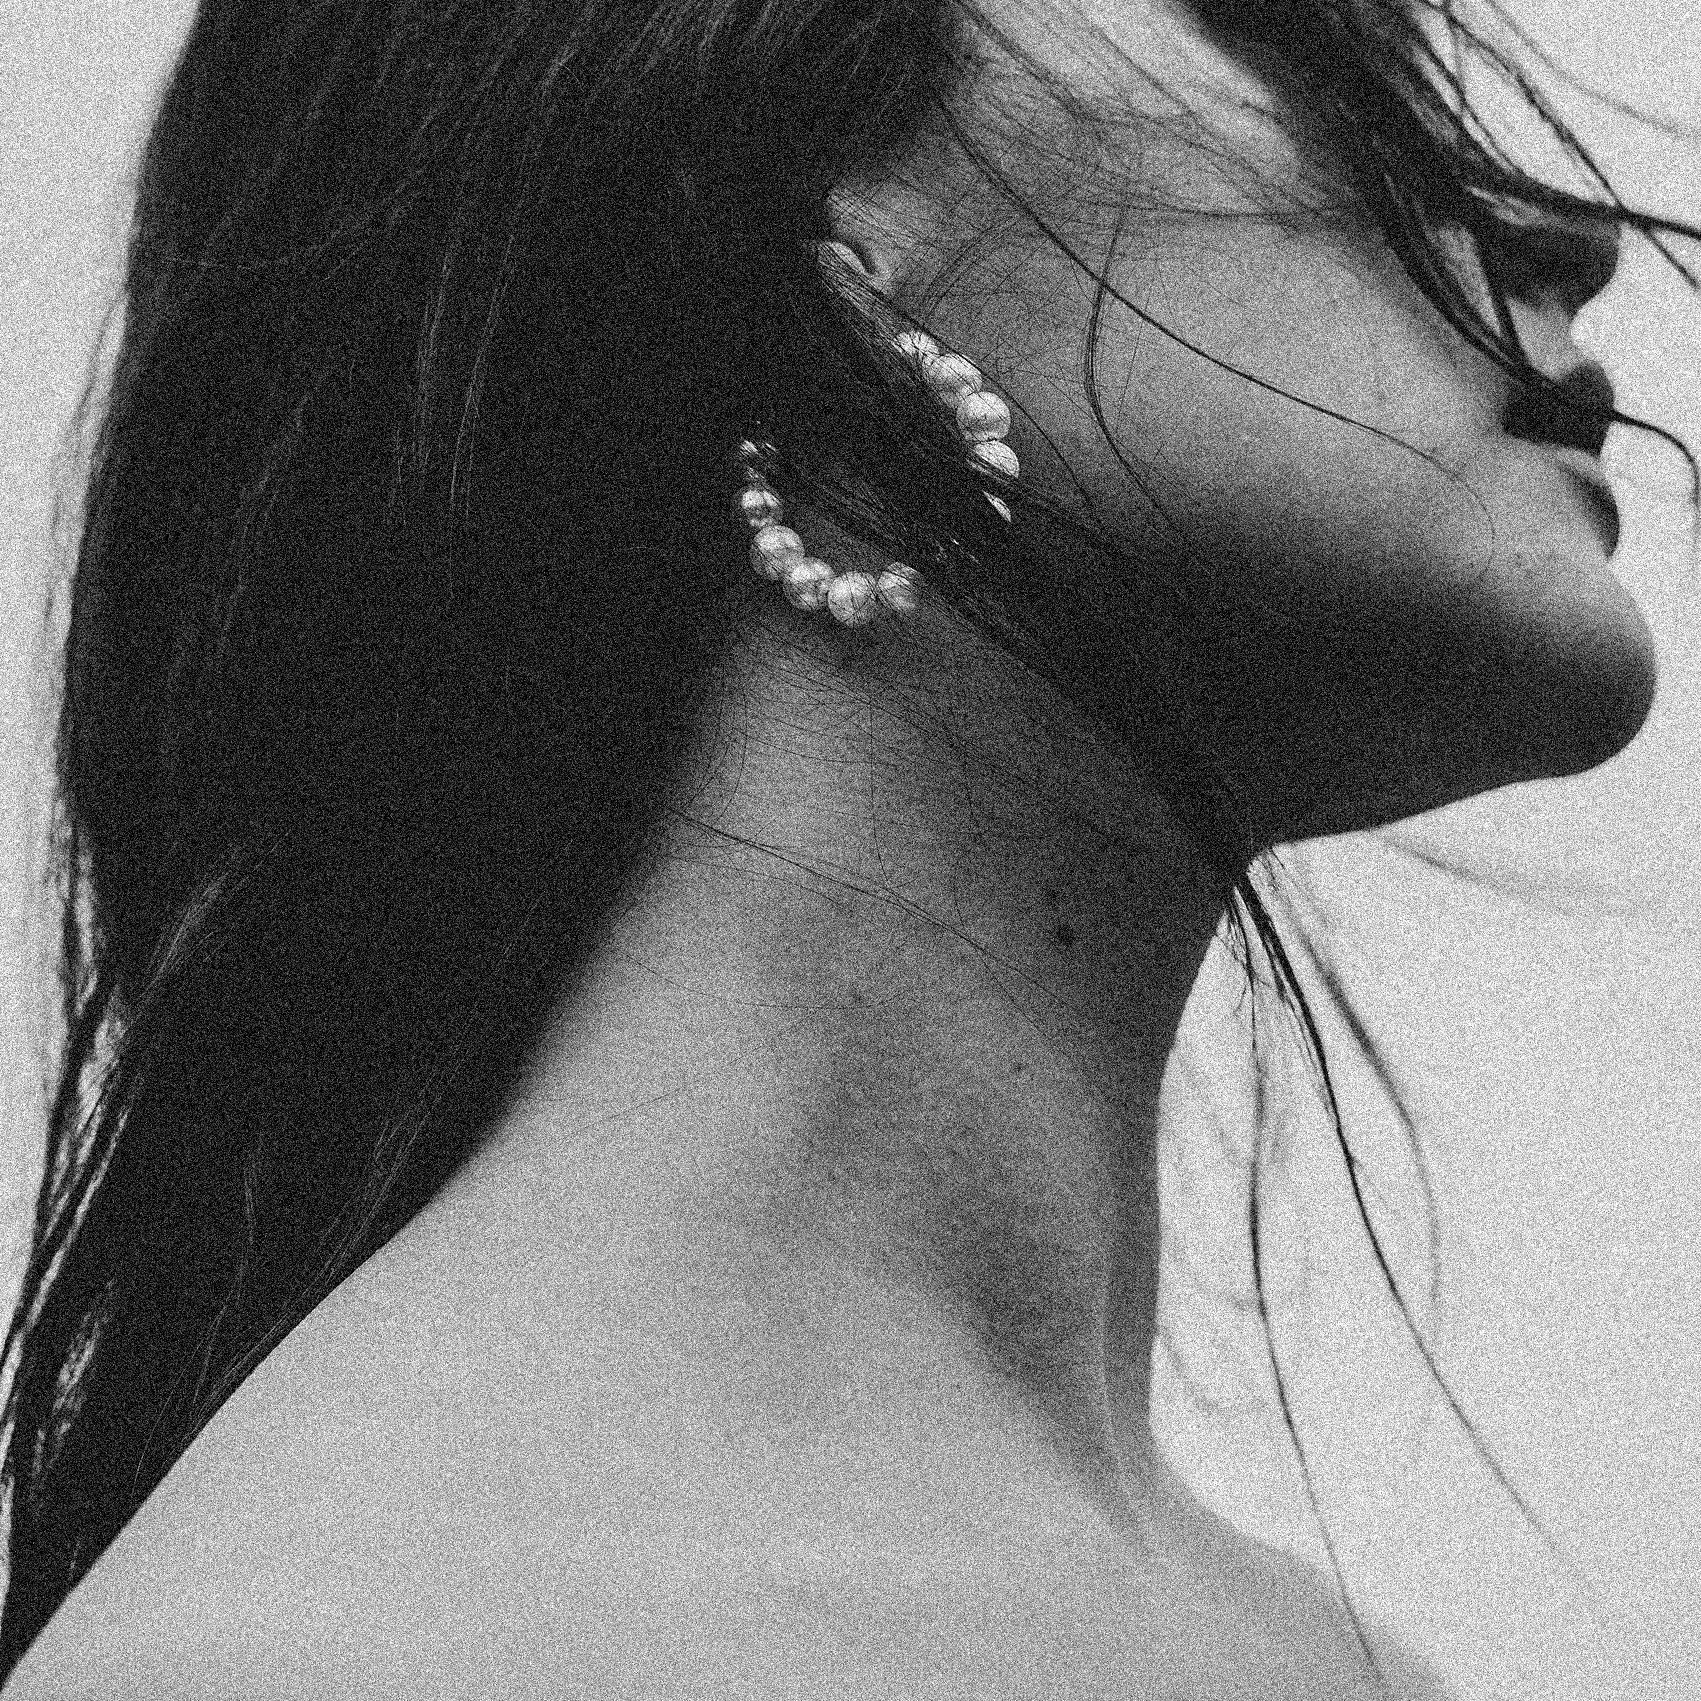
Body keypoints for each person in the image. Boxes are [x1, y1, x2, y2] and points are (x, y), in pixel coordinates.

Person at [1, 0, 1693, 1693]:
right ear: (786, 185)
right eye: (1277, 30)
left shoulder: (1328, 1665)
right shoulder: (340, 1653)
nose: (1568, 229)